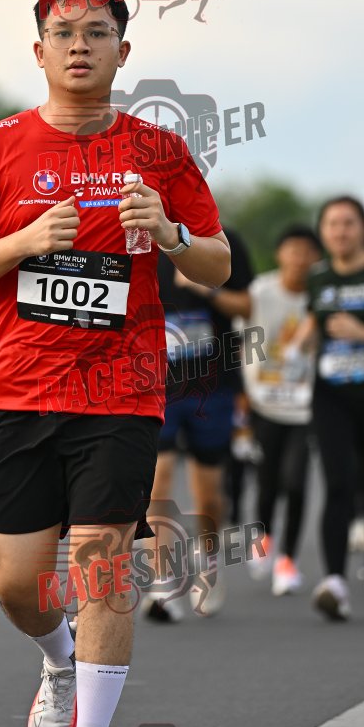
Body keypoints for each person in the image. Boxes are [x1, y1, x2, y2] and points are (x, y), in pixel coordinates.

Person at [0, 0, 230, 727]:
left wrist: (169, 233)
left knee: (102, 557)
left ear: (122, 51)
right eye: (63, 33)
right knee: (16, 582)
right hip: (17, 392)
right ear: (38, 51)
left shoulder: (159, 151)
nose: (79, 46)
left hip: (121, 392)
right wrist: (23, 241)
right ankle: (58, 658)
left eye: (97, 32)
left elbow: (216, 262)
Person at [290, 197, 364, 620]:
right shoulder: (319, 277)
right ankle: (334, 581)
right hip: (331, 395)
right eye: (332, 224)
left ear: (363, 228)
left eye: (348, 223)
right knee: (337, 482)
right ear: (323, 232)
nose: (340, 231)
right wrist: (297, 346)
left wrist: (362, 332)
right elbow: (314, 321)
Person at [141, 229, 252, 621]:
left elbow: (247, 305)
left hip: (211, 386)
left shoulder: (220, 239)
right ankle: (162, 583)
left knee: (209, 495)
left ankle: (208, 559)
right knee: (157, 482)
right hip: (157, 386)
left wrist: (204, 287)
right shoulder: (136, 238)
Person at [240, 225, 322, 596]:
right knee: (268, 478)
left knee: (297, 481)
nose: (299, 258)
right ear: (280, 254)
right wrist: (242, 393)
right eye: (293, 250)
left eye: (307, 251)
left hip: (305, 406)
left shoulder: (321, 296)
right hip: (264, 401)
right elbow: (240, 339)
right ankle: (266, 536)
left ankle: (288, 560)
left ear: (317, 258)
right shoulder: (261, 291)